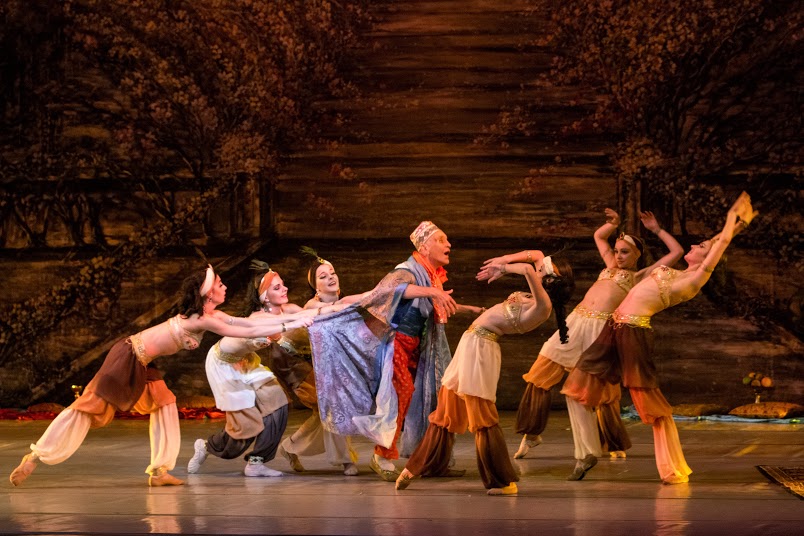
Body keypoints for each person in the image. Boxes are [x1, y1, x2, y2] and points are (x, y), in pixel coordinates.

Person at [9, 265, 313, 487]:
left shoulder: (211, 315)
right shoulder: (200, 318)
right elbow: (242, 330)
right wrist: (292, 323)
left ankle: (159, 471)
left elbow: (246, 324)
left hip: (142, 363)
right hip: (128, 355)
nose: (224, 287)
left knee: (166, 403)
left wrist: (298, 317)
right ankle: (35, 457)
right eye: (220, 284)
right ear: (208, 292)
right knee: (88, 407)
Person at [561, 192, 756, 483]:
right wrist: (739, 225)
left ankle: (672, 467)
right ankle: (587, 452)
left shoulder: (695, 279)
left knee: (650, 403)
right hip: (613, 328)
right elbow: (719, 240)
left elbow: (720, 244)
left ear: (709, 257)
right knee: (575, 387)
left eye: (701, 246)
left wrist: (731, 217)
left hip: (633, 333)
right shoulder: (679, 271)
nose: (695, 245)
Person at [483, 210, 683, 464]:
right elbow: (599, 236)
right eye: (617, 251)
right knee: (540, 372)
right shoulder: (609, 266)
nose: (618, 256)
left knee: (604, 391)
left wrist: (656, 229)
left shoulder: (639, 277)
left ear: (637, 255)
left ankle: (611, 441)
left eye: (625, 252)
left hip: (601, 329)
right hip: (576, 322)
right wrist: (612, 224)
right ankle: (531, 433)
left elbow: (676, 252)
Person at [307, 221, 482, 482]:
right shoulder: (407, 269)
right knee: (401, 393)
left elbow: (434, 303)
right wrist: (433, 292)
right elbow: (394, 289)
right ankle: (382, 456)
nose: (448, 244)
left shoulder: (429, 275)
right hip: (396, 342)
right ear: (424, 247)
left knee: (433, 397)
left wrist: (469, 309)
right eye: (441, 240)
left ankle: (431, 461)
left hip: (418, 345)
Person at [395, 254, 575, 495]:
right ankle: (419, 467)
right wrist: (504, 259)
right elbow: (535, 256)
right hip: (470, 343)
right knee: (445, 411)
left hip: (481, 349)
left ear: (550, 279)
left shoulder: (543, 306)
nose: (539, 266)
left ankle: (503, 482)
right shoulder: (535, 295)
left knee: (481, 416)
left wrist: (503, 267)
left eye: (543, 268)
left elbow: (527, 268)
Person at [246, 261, 359, 476]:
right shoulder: (262, 316)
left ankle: (291, 446)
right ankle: (345, 460)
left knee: (326, 410)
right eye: (277, 287)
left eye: (283, 285)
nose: (285, 289)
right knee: (332, 406)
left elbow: (316, 315)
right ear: (265, 297)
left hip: (310, 362)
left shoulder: (289, 308)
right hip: (291, 368)